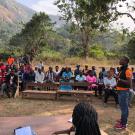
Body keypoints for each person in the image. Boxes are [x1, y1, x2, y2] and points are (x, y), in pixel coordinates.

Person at [115, 56, 132, 130]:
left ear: (125, 61)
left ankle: (123, 124)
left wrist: (119, 79)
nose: (119, 60)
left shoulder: (127, 70)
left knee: (124, 108)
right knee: (124, 108)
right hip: (121, 91)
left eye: (121, 59)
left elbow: (129, 83)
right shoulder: (122, 69)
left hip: (124, 92)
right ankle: (123, 120)